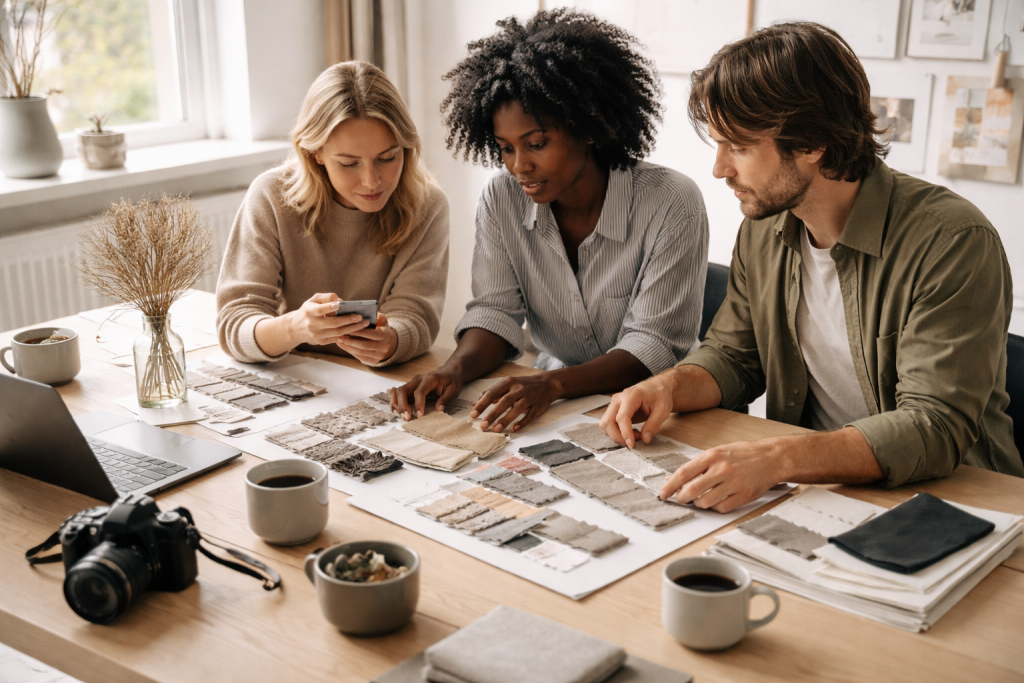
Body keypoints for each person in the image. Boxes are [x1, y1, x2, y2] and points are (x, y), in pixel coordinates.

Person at [601, 22, 1023, 512]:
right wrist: (668, 385)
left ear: (811, 142)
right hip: (821, 490)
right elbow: (736, 357)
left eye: (737, 146)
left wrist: (777, 457)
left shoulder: (952, 242)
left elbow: (934, 425)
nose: (719, 169)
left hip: (959, 502)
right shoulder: (763, 227)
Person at [392, 9, 708, 433]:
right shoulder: (501, 199)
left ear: (589, 127)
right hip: (562, 403)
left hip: (667, 409)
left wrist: (551, 382)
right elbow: (495, 313)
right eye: (505, 148)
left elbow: (652, 345)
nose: (519, 166)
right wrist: (453, 371)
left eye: (536, 143)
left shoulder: (670, 202)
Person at [216, 61, 449, 367]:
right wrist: (294, 328)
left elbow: (415, 316)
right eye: (349, 163)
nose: (372, 181)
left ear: (406, 147)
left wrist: (392, 341)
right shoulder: (271, 196)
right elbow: (235, 322)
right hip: (296, 374)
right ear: (315, 154)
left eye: (388, 158)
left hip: (381, 381)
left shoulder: (427, 206)